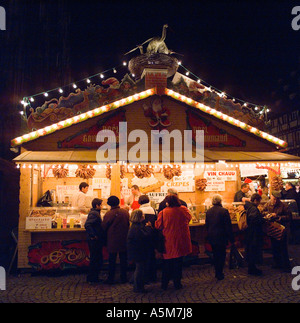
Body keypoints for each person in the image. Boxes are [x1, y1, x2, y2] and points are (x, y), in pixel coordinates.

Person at [155, 195, 192, 290]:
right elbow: (189, 218)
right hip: (181, 239)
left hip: (169, 241)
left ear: (168, 202)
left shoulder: (163, 212)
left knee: (167, 264)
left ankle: (164, 284)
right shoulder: (183, 209)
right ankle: (177, 283)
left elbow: (158, 225)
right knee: (179, 262)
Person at [205, 194, 235, 280]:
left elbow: (207, 225)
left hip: (212, 237)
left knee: (215, 254)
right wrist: (231, 238)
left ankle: (216, 271)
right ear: (220, 201)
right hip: (221, 237)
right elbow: (228, 226)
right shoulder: (224, 211)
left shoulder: (208, 211)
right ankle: (220, 273)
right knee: (221, 255)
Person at [102, 195, 130, 284]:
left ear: (109, 204)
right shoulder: (125, 212)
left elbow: (104, 227)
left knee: (112, 260)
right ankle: (124, 277)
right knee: (123, 259)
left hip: (112, 239)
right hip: (124, 238)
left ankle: (111, 278)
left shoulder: (108, 214)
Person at [262, 191, 292, 272]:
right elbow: (262, 212)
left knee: (283, 247)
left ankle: (286, 265)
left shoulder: (283, 206)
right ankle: (277, 263)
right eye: (273, 199)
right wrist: (269, 214)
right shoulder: (268, 204)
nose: (275, 201)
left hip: (281, 230)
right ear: (271, 197)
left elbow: (289, 217)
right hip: (273, 229)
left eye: (276, 199)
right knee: (274, 247)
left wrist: (278, 217)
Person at [127, 209, 154, 293]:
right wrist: (149, 228)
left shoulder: (135, 226)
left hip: (137, 251)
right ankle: (138, 287)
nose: (143, 216)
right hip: (139, 251)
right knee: (140, 269)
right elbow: (144, 236)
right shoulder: (137, 227)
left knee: (139, 268)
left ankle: (137, 285)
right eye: (142, 215)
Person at [84, 198, 105, 283]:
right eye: (101, 204)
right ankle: (93, 278)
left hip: (95, 240)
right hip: (94, 240)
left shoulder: (95, 213)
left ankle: (94, 277)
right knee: (95, 258)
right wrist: (94, 235)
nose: (102, 206)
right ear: (97, 206)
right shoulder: (94, 213)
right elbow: (87, 225)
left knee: (96, 258)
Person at [244, 193, 264, 276]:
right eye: (259, 201)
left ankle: (252, 267)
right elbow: (254, 220)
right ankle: (252, 269)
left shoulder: (249, 207)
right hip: (254, 233)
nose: (259, 203)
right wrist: (262, 220)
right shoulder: (253, 208)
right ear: (255, 200)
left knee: (251, 250)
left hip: (250, 233)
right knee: (253, 250)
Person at [138, 195, 157, 282]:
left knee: (144, 257)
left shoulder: (139, 211)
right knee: (152, 255)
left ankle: (145, 277)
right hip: (152, 235)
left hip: (142, 236)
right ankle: (153, 276)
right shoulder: (153, 210)